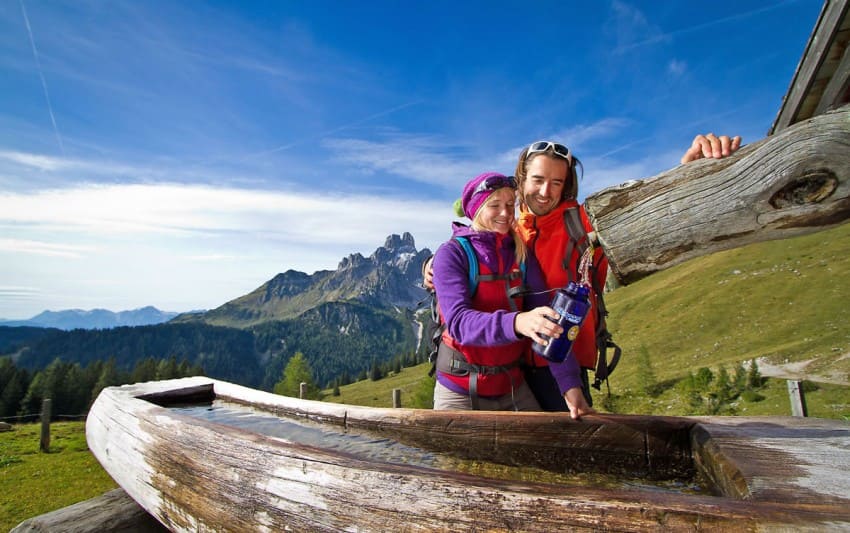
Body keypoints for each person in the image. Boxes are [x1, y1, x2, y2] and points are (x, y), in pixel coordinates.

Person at [424, 134, 742, 415]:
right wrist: (434, 267)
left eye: (557, 182)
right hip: (510, 371)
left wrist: (686, 175)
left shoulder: (585, 225)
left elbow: (651, 219)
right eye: (537, 180)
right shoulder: (511, 232)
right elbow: (467, 257)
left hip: (560, 363)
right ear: (521, 182)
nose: (545, 191)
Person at [430, 171, 591, 418]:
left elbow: (550, 322)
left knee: (538, 452)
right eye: (494, 205)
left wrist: (570, 384)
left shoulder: (520, 254)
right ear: (475, 209)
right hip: (459, 391)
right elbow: (459, 323)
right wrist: (518, 322)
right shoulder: (451, 255)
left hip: (513, 387)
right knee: (458, 458)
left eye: (510, 205)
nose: (505, 214)